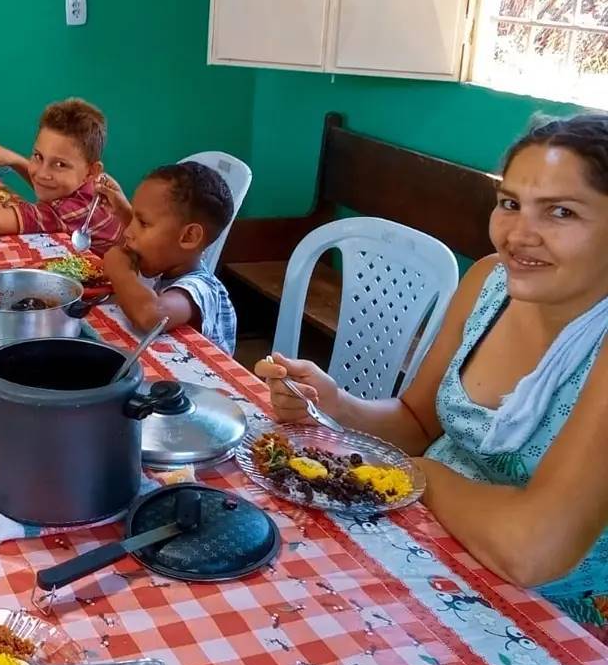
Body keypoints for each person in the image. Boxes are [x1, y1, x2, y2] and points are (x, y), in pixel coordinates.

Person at [255, 113, 608, 631]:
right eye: (510, 204)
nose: (519, 234)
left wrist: (417, 476)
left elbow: (531, 551)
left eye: (560, 212)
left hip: (537, 614)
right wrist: (334, 404)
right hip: (424, 540)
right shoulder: (490, 282)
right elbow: (418, 422)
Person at [0, 97, 125, 254]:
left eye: (60, 165)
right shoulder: (90, 185)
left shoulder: (73, 210)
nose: (42, 173)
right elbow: (51, 188)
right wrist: (16, 160)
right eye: (38, 156)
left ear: (91, 172)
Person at [99, 162, 237, 353]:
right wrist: (125, 212)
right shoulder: (168, 263)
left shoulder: (201, 289)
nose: (128, 232)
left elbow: (150, 315)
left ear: (189, 237)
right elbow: (156, 232)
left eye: (143, 223)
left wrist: (120, 271)